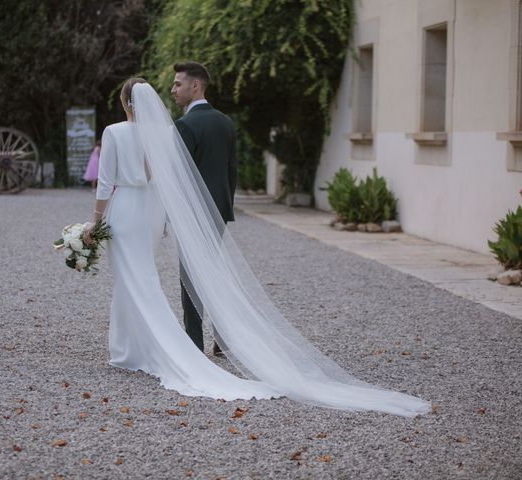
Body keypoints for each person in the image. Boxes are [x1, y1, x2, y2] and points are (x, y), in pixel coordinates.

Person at [83, 77, 430, 416]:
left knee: (132, 281)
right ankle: (130, 349)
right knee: (140, 279)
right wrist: (161, 223)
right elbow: (162, 182)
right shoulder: (162, 133)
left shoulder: (113, 133)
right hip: (148, 215)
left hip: (125, 213)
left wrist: (94, 225)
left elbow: (106, 185)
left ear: (124, 103)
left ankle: (144, 350)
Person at [171, 62, 235, 357]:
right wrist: (224, 208)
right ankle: (223, 339)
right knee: (213, 274)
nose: (173, 90)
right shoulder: (226, 122)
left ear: (195, 86)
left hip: (194, 213)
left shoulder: (185, 125)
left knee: (191, 279)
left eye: (178, 84)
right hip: (219, 211)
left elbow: (180, 176)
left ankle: (194, 344)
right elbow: (231, 172)